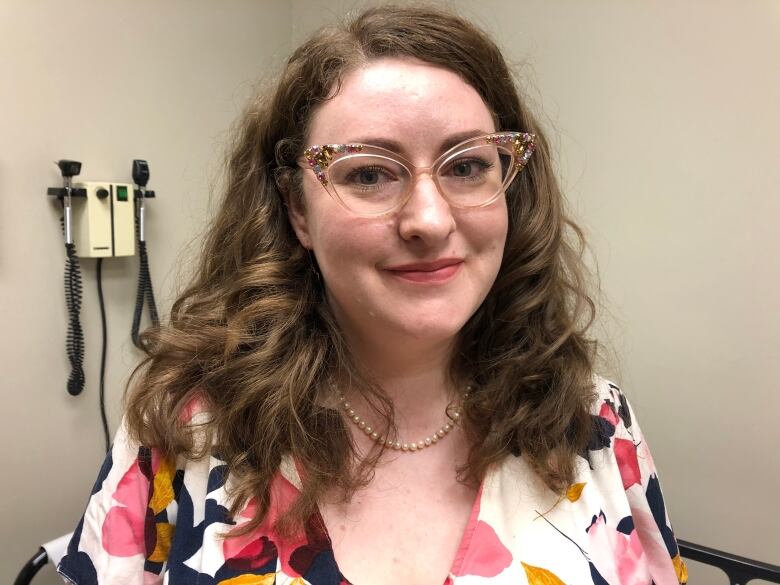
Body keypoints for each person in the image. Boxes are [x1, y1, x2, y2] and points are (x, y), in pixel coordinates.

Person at [57, 5, 688, 585]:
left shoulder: (595, 424)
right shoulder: (182, 434)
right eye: (367, 174)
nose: (430, 220)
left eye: (468, 165)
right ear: (296, 211)